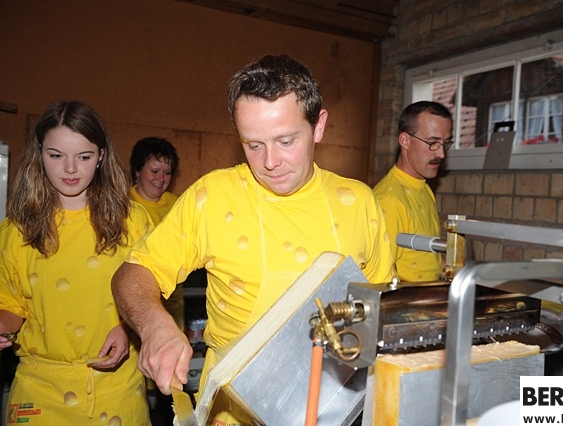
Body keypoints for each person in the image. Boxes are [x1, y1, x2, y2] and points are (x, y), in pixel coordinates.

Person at [111, 54, 395, 425]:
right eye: (253, 145)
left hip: (334, 409)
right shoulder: (213, 197)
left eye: (285, 141)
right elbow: (134, 273)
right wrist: (154, 326)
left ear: (319, 126)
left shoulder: (359, 203)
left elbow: (382, 307)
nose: (270, 161)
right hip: (232, 411)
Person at [0, 101, 152, 424]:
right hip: (38, 391)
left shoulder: (133, 222)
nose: (70, 169)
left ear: (100, 156)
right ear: (39, 154)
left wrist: (128, 327)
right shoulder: (15, 231)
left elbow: (155, 291)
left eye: (83, 157)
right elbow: (12, 305)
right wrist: (4, 326)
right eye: (56, 155)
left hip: (117, 390)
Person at [128, 136, 183, 425]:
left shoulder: (177, 205)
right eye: (154, 170)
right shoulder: (123, 206)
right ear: (137, 171)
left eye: (167, 172)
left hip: (171, 303)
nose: (161, 179)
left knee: (170, 370)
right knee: (138, 367)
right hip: (135, 305)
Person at [373, 101, 452, 282]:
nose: (441, 154)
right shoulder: (389, 200)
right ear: (405, 141)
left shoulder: (424, 188)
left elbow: (425, 259)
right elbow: (380, 278)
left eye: (445, 143)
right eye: (432, 143)